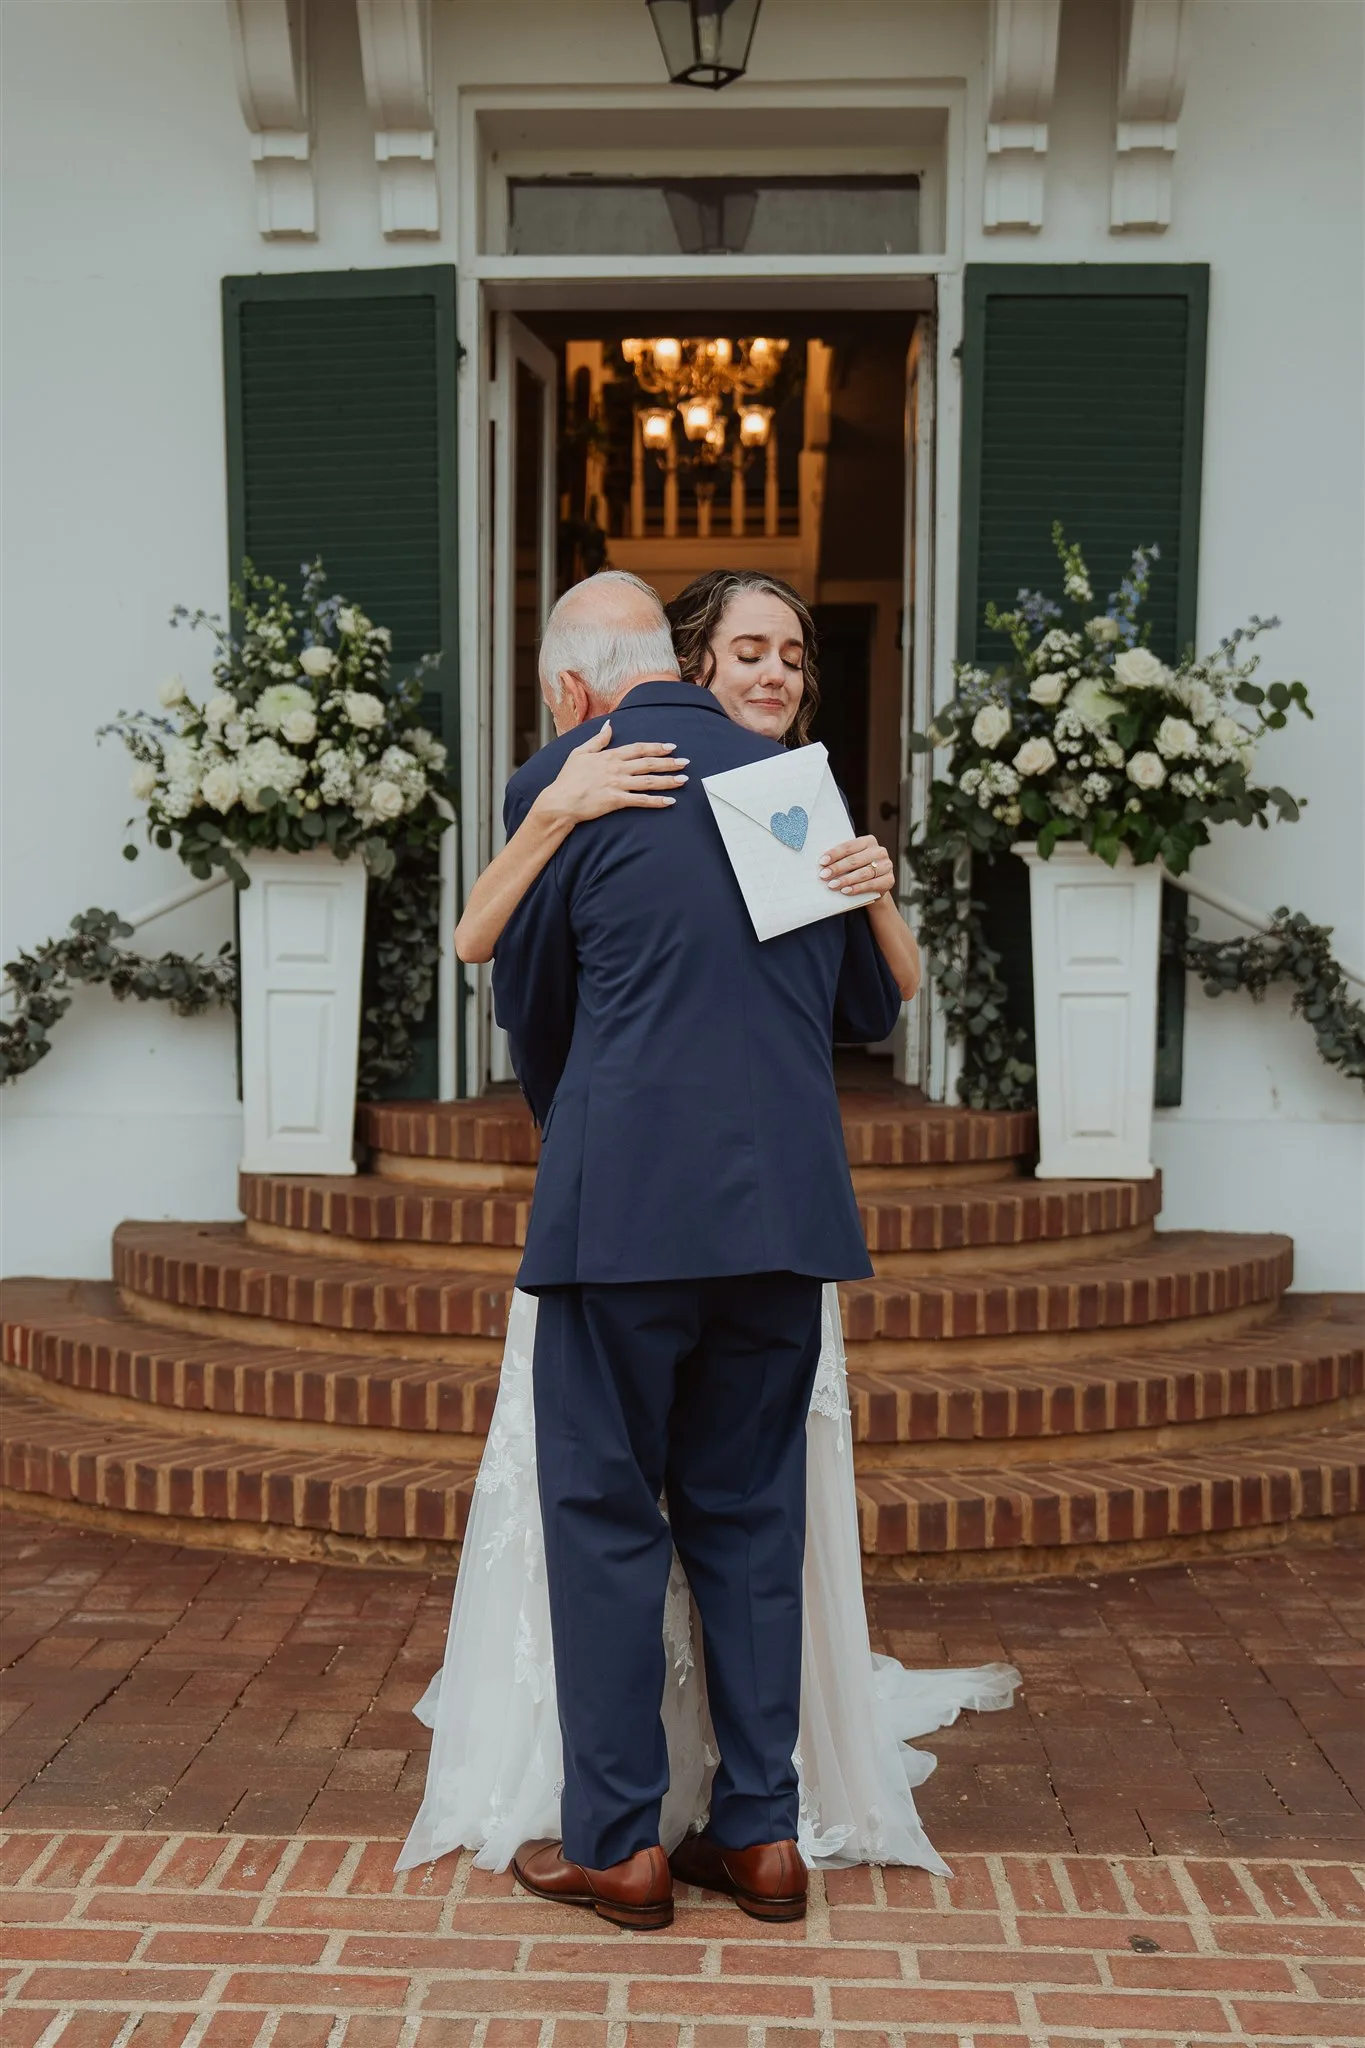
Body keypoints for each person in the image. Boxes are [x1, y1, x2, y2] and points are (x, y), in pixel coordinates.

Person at [396, 569, 1018, 1920]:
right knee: (749, 1515)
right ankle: (759, 1837)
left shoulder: (577, 773)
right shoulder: (793, 789)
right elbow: (854, 1009)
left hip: (623, 1200)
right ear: (693, 661)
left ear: (574, 685)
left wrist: (592, 1124)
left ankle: (618, 1839)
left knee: (608, 1515)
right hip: (782, 1208)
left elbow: (535, 1005)